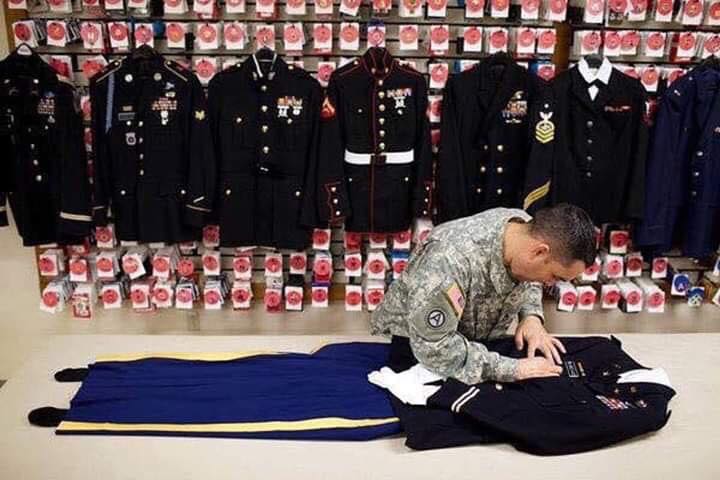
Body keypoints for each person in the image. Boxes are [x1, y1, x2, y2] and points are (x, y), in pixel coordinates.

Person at [371, 204, 597, 383]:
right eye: (555, 276)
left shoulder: (522, 227)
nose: (551, 284)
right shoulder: (447, 259)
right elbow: (434, 348)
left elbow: (530, 278)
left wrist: (532, 317)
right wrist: (512, 369)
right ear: (539, 251)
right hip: (419, 349)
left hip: (477, 339)